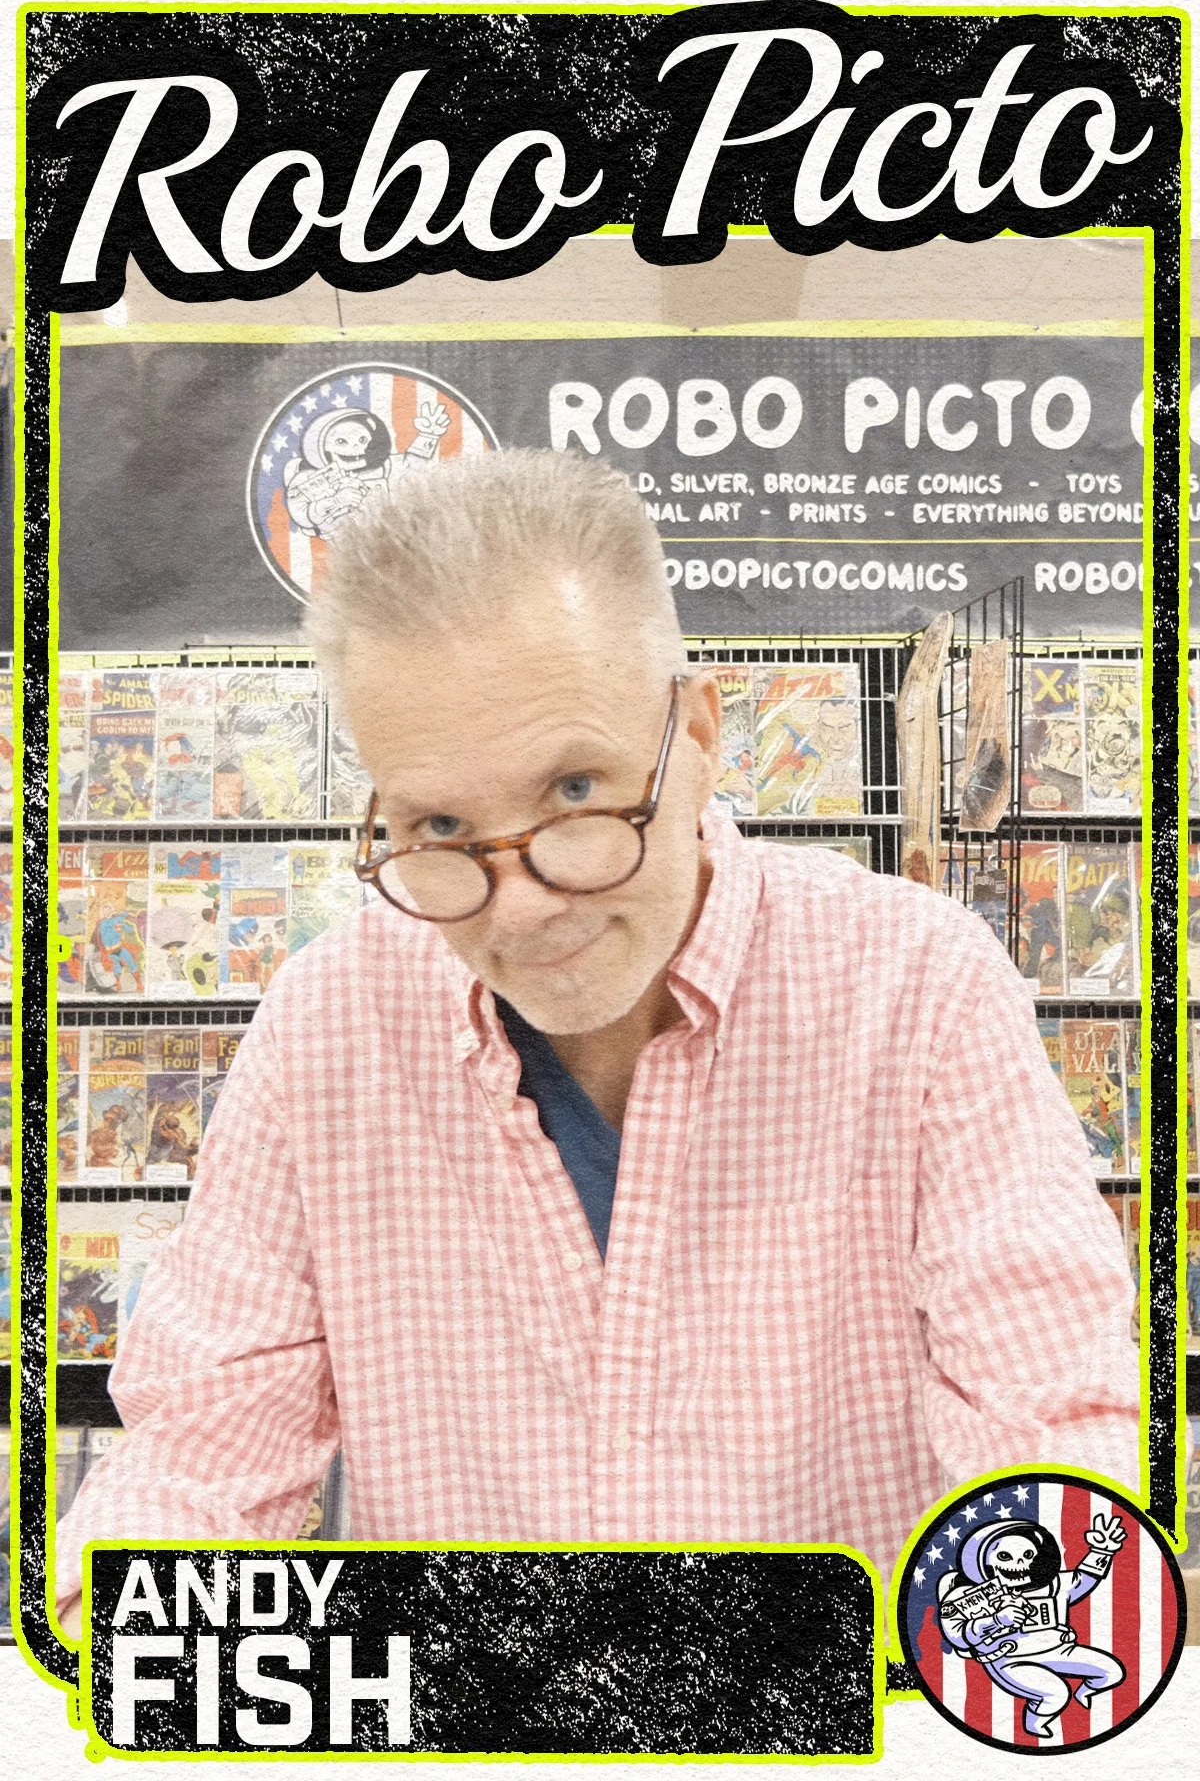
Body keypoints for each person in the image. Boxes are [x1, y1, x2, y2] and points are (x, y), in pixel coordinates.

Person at [56, 449, 1139, 1632]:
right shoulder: (327, 1027)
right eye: (439, 825)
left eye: (575, 791)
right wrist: (99, 1625)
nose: (519, 906)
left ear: (702, 730)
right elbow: (205, 1451)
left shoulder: (920, 989)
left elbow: (1051, 1424)